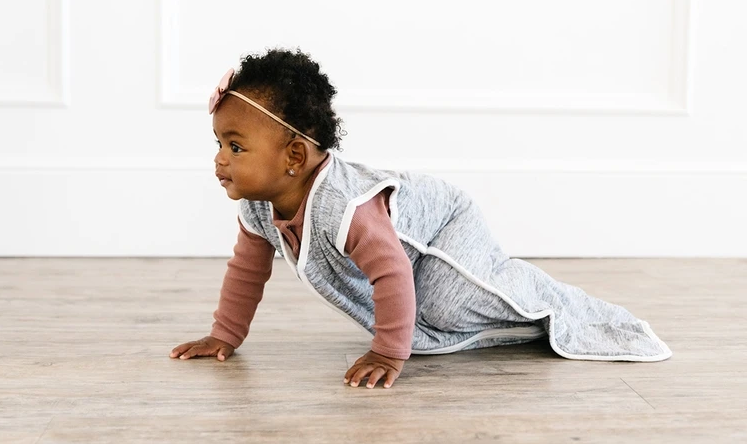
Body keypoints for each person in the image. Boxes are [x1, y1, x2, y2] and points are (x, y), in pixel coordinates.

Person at [169, 48, 671, 389]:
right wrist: (224, 335)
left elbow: (391, 271)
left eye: (235, 147)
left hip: (441, 230)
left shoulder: (345, 206)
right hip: (409, 251)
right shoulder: (257, 207)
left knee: (457, 303)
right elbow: (246, 270)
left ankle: (554, 306)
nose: (220, 159)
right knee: (430, 315)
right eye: (219, 143)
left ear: (294, 157)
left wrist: (389, 352)